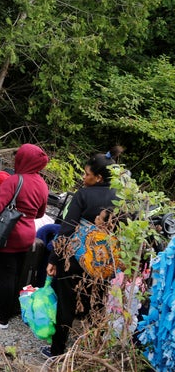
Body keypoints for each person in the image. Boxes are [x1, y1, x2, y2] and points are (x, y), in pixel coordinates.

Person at [42, 148, 121, 358]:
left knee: (66, 304)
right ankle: (94, 352)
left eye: (87, 174)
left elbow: (66, 229)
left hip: (76, 258)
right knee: (97, 303)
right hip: (104, 263)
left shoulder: (84, 195)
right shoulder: (122, 197)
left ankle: (57, 351)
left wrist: (54, 259)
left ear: (99, 177)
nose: (83, 177)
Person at [0, 144, 50, 329]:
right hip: (28, 235)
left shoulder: (15, 180)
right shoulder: (42, 184)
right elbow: (40, 213)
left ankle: (1, 316)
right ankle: (10, 308)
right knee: (15, 275)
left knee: (5, 276)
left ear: (23, 160)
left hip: (9, 235)